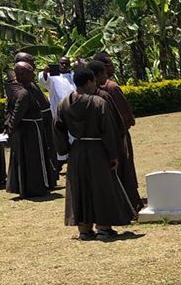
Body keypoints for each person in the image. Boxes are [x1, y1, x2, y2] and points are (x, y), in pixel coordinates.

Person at [54, 66, 136, 241]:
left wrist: (65, 150)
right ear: (89, 81)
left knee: (80, 189)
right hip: (97, 150)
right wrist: (114, 155)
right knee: (101, 188)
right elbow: (109, 131)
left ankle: (84, 229)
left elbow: (58, 129)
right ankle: (103, 227)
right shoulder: (99, 103)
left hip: (77, 151)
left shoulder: (63, 104)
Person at [91, 59, 141, 211]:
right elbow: (125, 114)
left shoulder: (85, 92)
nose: (112, 68)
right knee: (125, 167)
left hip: (99, 140)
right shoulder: (111, 88)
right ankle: (130, 203)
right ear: (102, 71)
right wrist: (126, 126)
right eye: (110, 66)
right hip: (118, 135)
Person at [4, 60, 57, 198]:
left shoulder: (28, 88)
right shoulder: (23, 93)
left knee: (33, 159)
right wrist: (11, 129)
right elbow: (16, 114)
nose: (33, 74)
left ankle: (35, 186)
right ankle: (34, 188)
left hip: (32, 129)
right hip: (29, 131)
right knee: (32, 160)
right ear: (21, 74)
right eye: (30, 72)